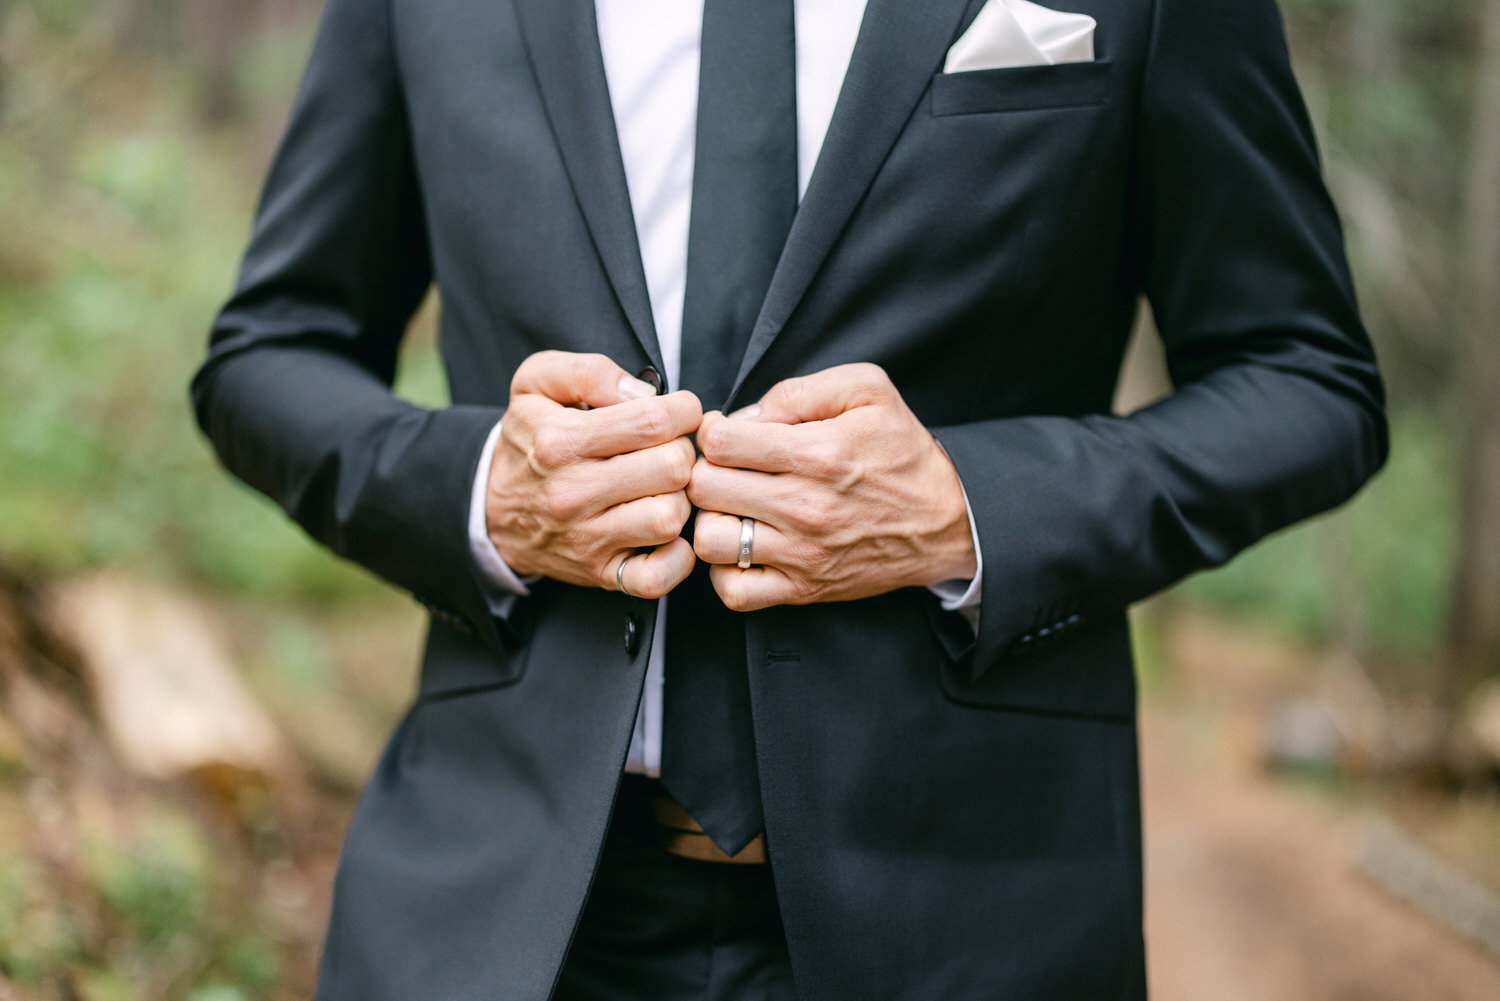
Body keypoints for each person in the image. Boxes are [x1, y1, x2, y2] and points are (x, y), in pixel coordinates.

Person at [191, 0, 1387, 998]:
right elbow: (268, 355)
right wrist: (482, 496)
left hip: (971, 913)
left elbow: (1309, 381)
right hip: (501, 912)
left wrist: (970, 506)